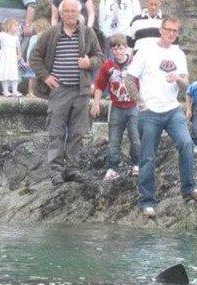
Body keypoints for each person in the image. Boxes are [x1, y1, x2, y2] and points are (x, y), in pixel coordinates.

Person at [125, 16, 197, 218]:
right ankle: (147, 201)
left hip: (172, 110)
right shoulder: (146, 50)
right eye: (168, 29)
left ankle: (189, 188)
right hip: (150, 112)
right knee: (148, 157)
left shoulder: (178, 54)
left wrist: (178, 79)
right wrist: (138, 101)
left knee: (186, 145)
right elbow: (129, 78)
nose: (171, 33)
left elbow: (187, 85)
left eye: (175, 31)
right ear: (161, 30)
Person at [29, 0, 104, 186]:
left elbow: (100, 57)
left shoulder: (88, 33)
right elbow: (34, 56)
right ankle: (55, 171)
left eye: (73, 11)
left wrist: (89, 63)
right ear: (61, 14)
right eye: (67, 11)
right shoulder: (51, 33)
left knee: (77, 132)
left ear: (79, 13)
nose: (70, 14)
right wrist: (45, 76)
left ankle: (72, 168)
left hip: (81, 90)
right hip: (59, 90)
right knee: (56, 132)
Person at [90, 34, 140, 181]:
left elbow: (144, 80)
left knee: (136, 137)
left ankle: (136, 164)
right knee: (113, 140)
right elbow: (99, 85)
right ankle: (113, 168)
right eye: (115, 49)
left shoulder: (135, 63)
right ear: (111, 50)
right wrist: (96, 104)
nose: (118, 52)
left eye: (121, 48)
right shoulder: (107, 66)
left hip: (133, 106)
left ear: (126, 48)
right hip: (116, 106)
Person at [0, 18, 23, 97]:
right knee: (4, 73)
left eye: (17, 26)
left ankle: (15, 91)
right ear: (9, 26)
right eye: (15, 25)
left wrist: (19, 55)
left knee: (14, 73)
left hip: (13, 57)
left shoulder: (16, 37)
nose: (17, 27)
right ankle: (5, 91)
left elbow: (18, 47)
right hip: (4, 57)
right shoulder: (2, 34)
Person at [24, 19, 51, 98]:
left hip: (38, 62)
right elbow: (30, 49)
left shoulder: (41, 38)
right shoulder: (35, 38)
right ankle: (30, 92)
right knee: (32, 77)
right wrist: (29, 60)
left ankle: (34, 92)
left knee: (35, 77)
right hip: (34, 61)